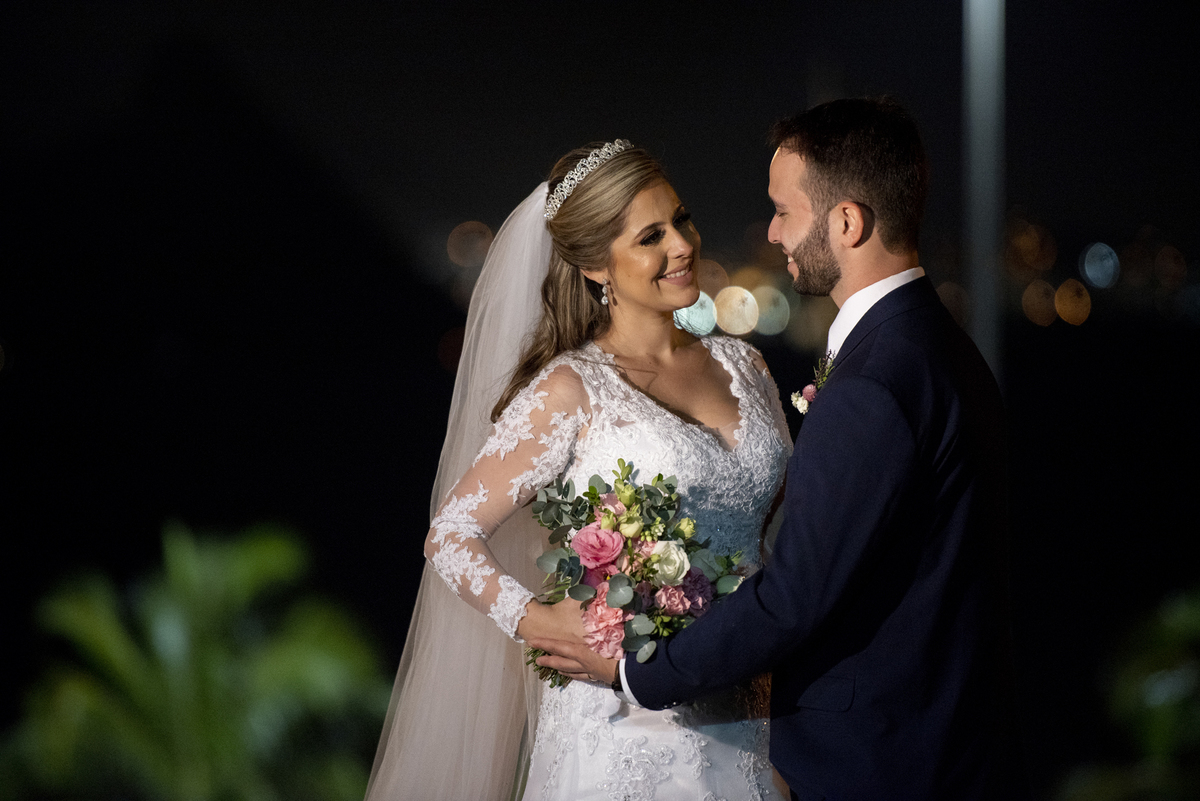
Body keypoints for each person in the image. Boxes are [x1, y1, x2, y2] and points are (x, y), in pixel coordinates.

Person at [533, 99, 1029, 800]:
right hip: (952, 743)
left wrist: (636, 670)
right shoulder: (944, 350)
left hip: (877, 764)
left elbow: (796, 594)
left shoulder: (874, 383)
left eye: (785, 211)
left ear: (847, 221)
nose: (771, 232)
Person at [365, 140, 793, 800]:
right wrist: (535, 618)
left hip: (750, 720)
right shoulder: (572, 389)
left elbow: (781, 540)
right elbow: (449, 534)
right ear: (597, 265)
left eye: (681, 219)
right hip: (625, 736)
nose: (682, 246)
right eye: (651, 236)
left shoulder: (748, 367)